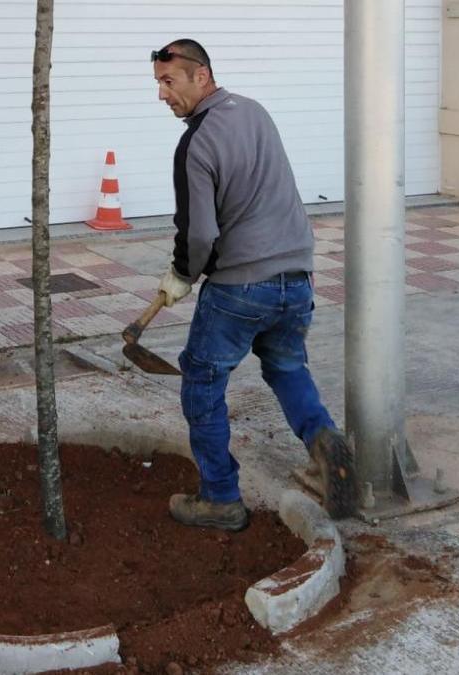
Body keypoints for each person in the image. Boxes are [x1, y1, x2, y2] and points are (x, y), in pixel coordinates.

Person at [151, 39, 356, 531]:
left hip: (241, 287)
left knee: (201, 381)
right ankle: (326, 444)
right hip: (296, 280)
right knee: (286, 365)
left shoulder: (196, 142)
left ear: (201, 76)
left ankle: (220, 498)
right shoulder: (255, 111)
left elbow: (199, 232)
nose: (161, 95)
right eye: (158, 83)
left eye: (168, 81)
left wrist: (182, 272)